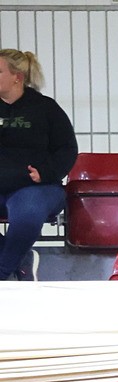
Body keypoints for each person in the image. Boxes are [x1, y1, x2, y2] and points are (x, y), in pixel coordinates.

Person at [0, 49, 78, 281]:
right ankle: (21, 260)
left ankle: (2, 274)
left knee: (27, 214)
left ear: (17, 77)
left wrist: (46, 172)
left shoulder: (45, 108)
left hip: (36, 188)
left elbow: (67, 148)